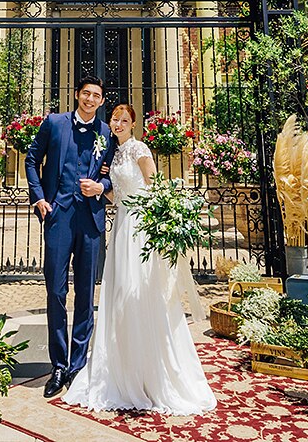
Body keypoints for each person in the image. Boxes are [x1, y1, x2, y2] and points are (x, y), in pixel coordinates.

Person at [64, 103, 216, 415]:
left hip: (141, 227)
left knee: (140, 291)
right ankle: (122, 365)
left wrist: (160, 225)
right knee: (120, 293)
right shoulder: (113, 154)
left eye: (124, 120)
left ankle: (150, 373)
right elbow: (117, 192)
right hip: (122, 225)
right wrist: (97, 191)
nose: (118, 124)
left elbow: (156, 185)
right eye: (115, 119)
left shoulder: (138, 149)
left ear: (133, 124)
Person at [25, 75, 116, 398]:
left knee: (85, 296)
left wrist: (102, 187)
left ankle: (77, 366)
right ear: (76, 94)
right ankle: (59, 364)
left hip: (90, 221)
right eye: (86, 93)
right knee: (56, 292)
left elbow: (113, 175)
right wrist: (38, 197)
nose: (90, 99)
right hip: (58, 217)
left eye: (96, 95)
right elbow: (32, 159)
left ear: (102, 101)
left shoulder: (107, 133)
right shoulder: (54, 123)